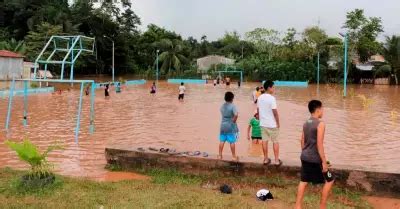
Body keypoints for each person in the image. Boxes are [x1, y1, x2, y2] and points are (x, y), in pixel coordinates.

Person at [295, 100, 334, 209]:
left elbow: (302, 140)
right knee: (330, 179)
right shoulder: (320, 124)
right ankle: (322, 206)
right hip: (315, 159)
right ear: (318, 110)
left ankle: (297, 206)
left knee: (304, 180)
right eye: (322, 109)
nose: (323, 111)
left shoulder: (306, 123)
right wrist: (324, 162)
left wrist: (306, 152)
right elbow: (319, 145)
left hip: (304, 156)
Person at [257, 80, 280, 165]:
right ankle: (276, 160)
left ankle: (265, 159)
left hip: (263, 124)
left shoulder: (260, 97)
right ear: (269, 88)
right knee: (275, 141)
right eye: (273, 87)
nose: (274, 89)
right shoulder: (272, 98)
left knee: (264, 141)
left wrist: (260, 120)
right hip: (272, 124)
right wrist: (278, 122)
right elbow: (275, 112)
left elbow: (258, 110)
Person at [218, 91, 239, 161]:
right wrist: (234, 120)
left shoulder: (222, 106)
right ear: (232, 98)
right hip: (230, 125)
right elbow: (236, 114)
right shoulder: (233, 106)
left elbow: (221, 111)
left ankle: (220, 155)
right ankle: (233, 156)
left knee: (222, 140)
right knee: (232, 141)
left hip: (223, 125)